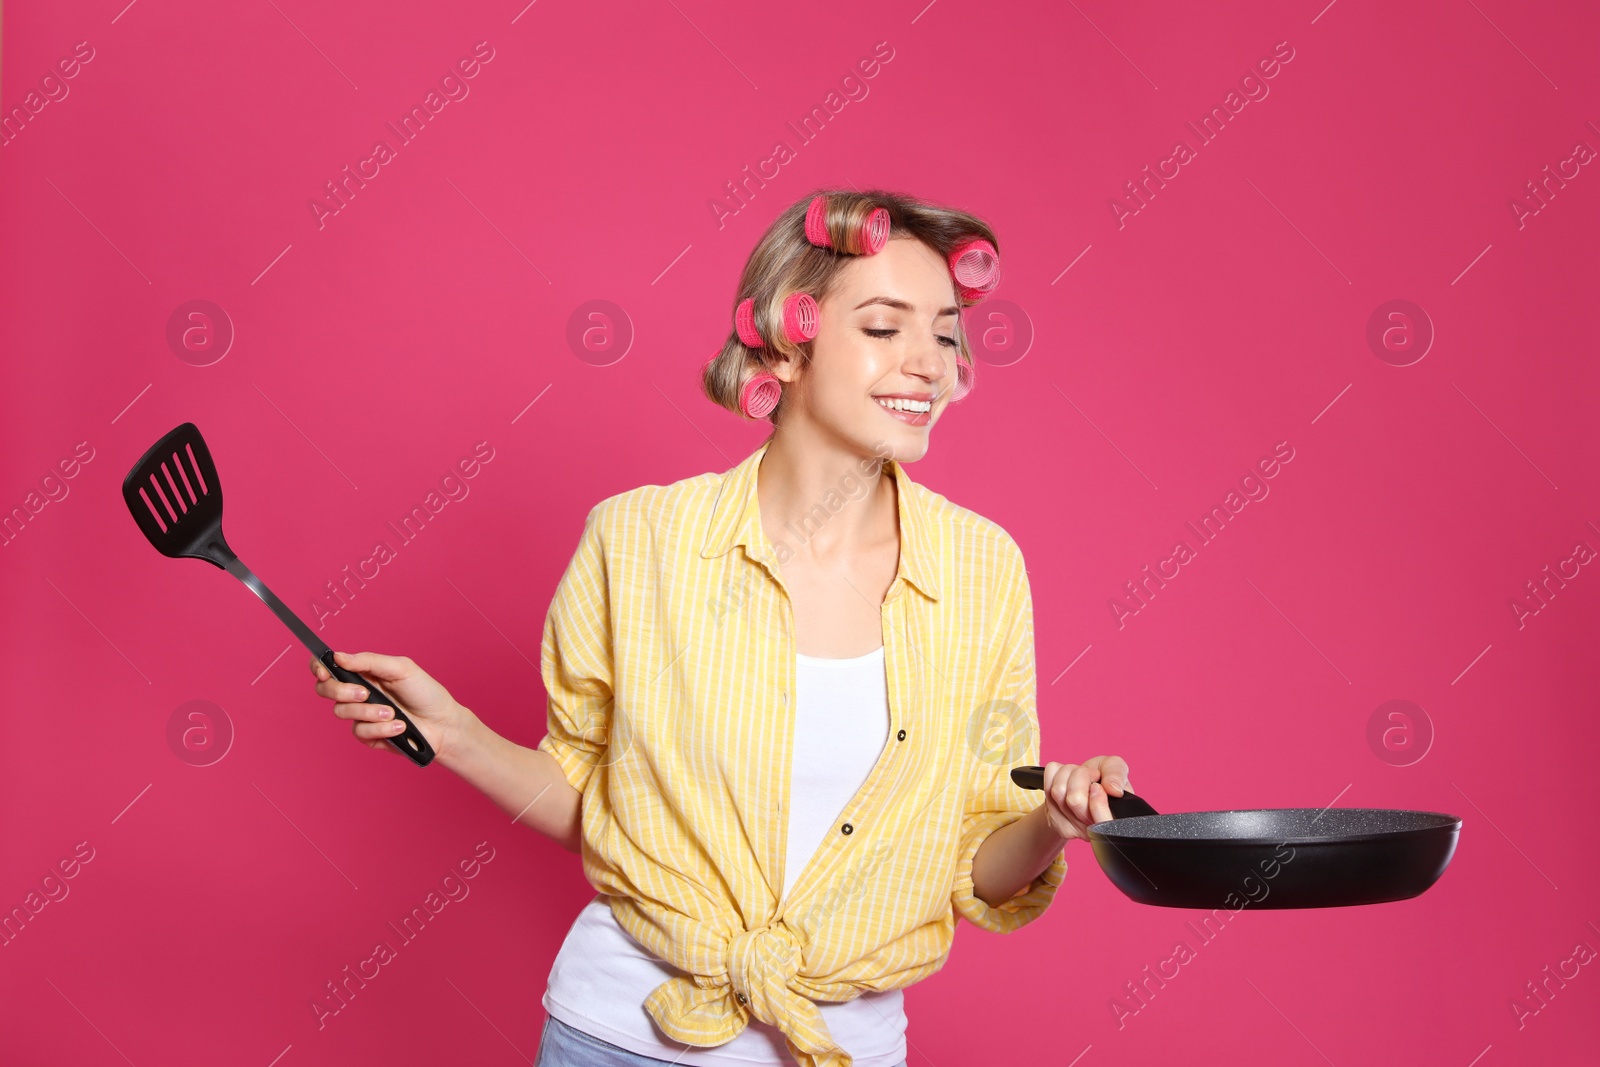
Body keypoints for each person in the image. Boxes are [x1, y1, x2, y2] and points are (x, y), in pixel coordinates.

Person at [309, 189, 1132, 1067]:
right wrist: (456, 734)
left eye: (944, 333)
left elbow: (976, 867)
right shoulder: (639, 542)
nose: (927, 363)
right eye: (886, 328)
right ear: (788, 337)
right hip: (617, 1039)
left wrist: (1052, 820)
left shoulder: (983, 571)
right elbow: (594, 803)